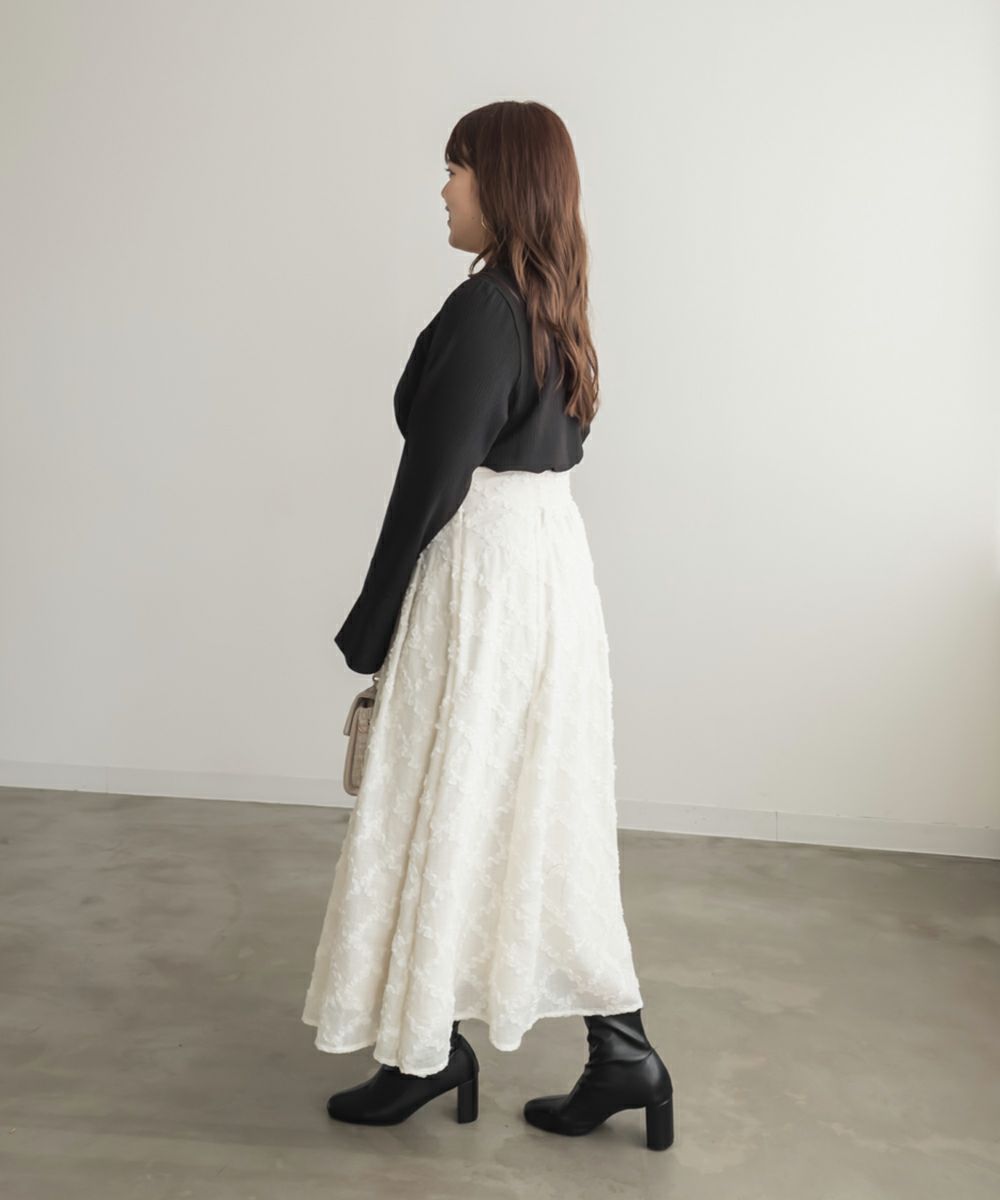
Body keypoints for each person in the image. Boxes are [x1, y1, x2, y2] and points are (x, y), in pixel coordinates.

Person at [300, 100, 674, 1152]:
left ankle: (431, 1051)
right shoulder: (554, 304)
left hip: (484, 576)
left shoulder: (488, 311)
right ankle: (615, 1052)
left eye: (457, 169)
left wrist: (372, 621)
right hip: (547, 566)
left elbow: (430, 480)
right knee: (532, 804)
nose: (443, 189)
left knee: (449, 794)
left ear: (501, 185)